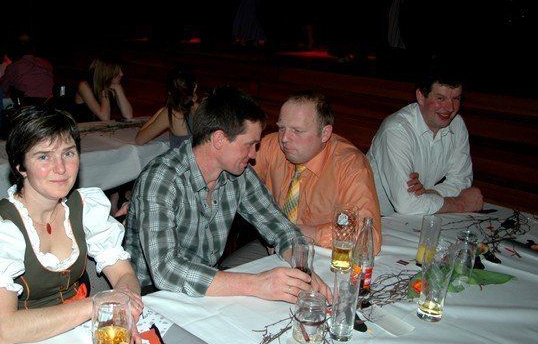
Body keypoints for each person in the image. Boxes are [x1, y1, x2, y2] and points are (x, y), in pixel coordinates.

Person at [125, 86, 330, 302]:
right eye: (250, 145)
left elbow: (281, 228)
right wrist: (257, 284)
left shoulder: (238, 174)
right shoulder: (162, 178)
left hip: (207, 288)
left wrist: (303, 271)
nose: (253, 155)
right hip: (151, 296)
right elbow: (166, 270)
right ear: (219, 139)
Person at [0, 106, 142, 344]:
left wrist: (124, 306)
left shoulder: (86, 208)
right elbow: (6, 330)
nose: (61, 168)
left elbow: (124, 274)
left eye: (68, 153)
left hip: (78, 337)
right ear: (20, 166)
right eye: (44, 157)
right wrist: (98, 305)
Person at [253, 92, 381, 253]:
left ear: (325, 134)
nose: (284, 138)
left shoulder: (349, 164)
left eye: (297, 131)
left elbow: (368, 237)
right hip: (270, 249)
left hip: (322, 254)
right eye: (281, 128)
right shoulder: (270, 146)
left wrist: (297, 232)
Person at [367, 72, 483, 215]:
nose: (450, 107)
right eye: (440, 98)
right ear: (421, 97)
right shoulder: (396, 130)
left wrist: (428, 193)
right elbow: (406, 205)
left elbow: (461, 181)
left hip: (416, 218)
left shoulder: (457, 125)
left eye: (456, 98)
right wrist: (461, 204)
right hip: (373, 218)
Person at [135, 68, 198, 147]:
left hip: (183, 155)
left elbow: (139, 140)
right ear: (195, 87)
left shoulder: (172, 114)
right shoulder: (199, 107)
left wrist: (162, 111)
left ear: (169, 92)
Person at [74, 56, 133, 122]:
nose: (121, 74)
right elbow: (105, 118)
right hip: (82, 126)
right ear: (106, 72)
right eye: (117, 71)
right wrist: (104, 90)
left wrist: (118, 88)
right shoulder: (84, 86)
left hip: (100, 127)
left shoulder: (115, 85)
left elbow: (128, 115)